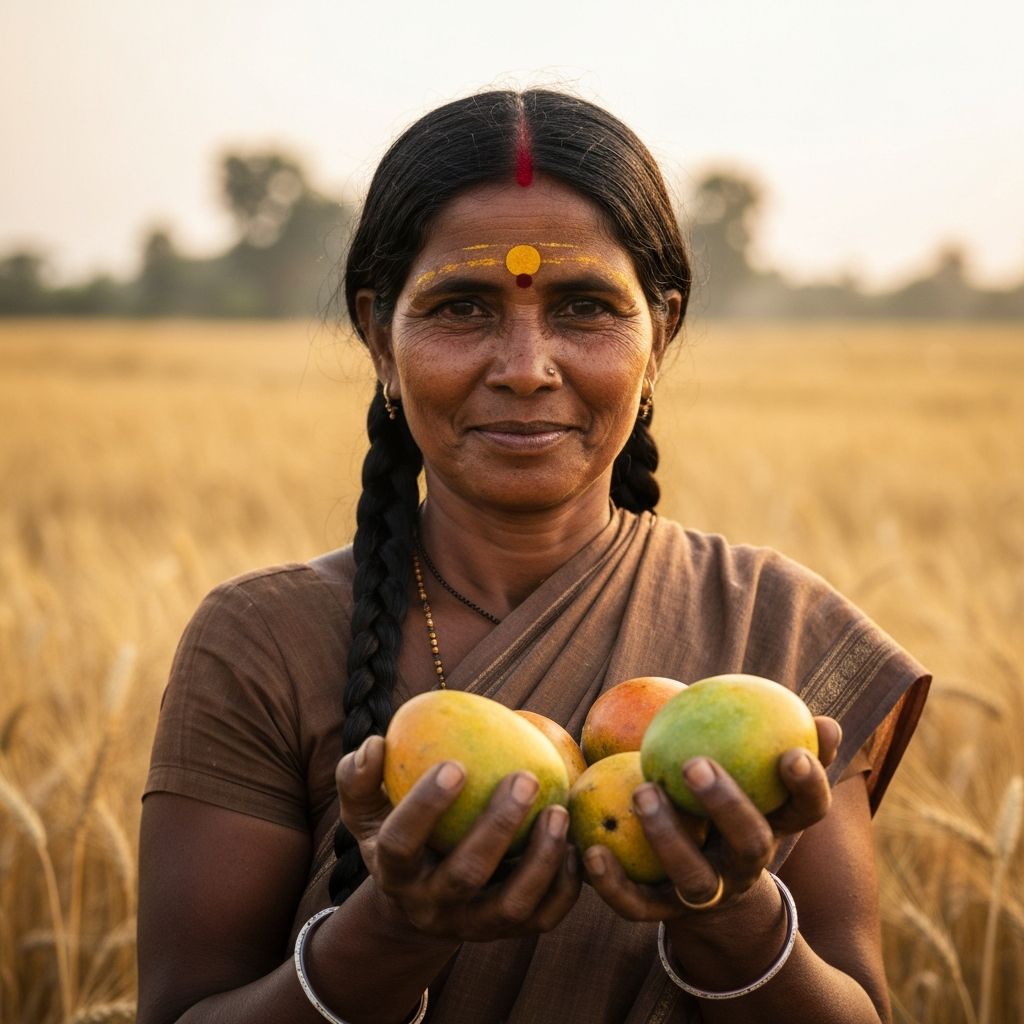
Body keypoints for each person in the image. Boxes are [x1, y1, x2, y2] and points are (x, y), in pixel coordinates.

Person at [137, 89, 930, 1024]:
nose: (524, 365)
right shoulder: (262, 643)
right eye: (461, 307)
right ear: (378, 338)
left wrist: (735, 915)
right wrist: (389, 935)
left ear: (660, 336)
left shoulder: (780, 630)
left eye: (586, 307)